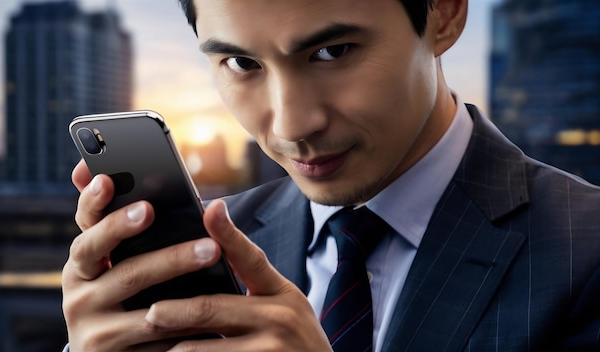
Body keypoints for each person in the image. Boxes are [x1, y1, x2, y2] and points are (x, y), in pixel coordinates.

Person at [61, 0, 600, 351]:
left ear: (444, 15)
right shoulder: (219, 243)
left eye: (332, 51)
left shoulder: (585, 250)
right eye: (242, 64)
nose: (293, 124)